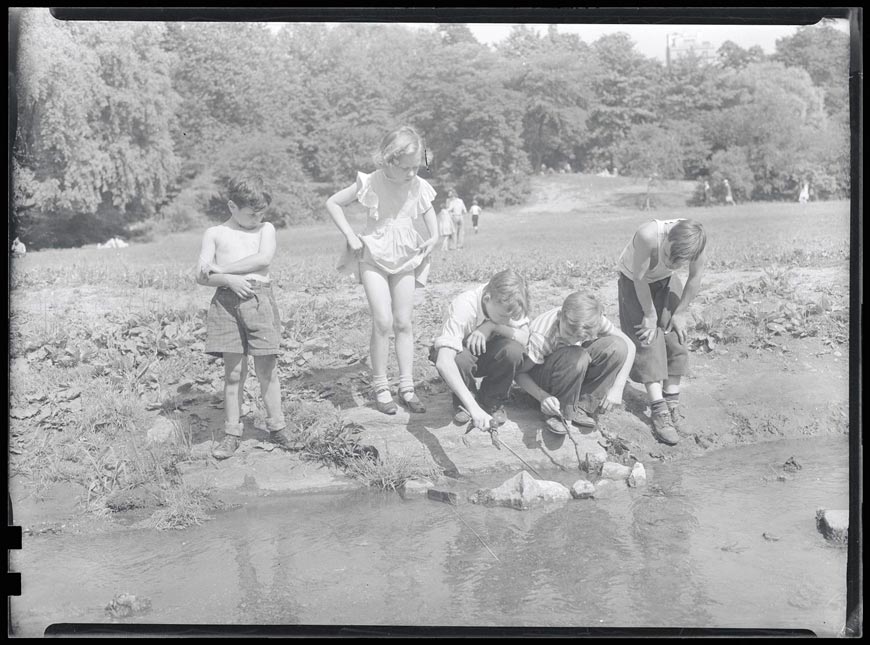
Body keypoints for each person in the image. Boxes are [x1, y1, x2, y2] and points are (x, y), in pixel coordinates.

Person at [328, 125, 439, 415]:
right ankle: (380, 387)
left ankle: (407, 386)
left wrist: (435, 236)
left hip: (405, 255)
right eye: (406, 168)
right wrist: (351, 236)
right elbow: (333, 203)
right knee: (382, 321)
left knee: (403, 321)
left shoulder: (416, 184)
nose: (413, 173)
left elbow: (427, 209)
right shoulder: (371, 182)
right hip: (373, 255)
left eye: (417, 167)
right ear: (389, 160)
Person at [196, 175, 291, 460]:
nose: (257, 217)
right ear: (231, 206)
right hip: (226, 304)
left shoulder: (266, 229)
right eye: (251, 213)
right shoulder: (214, 233)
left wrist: (222, 271)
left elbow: (263, 260)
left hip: (258, 300)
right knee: (234, 373)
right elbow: (201, 275)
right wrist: (227, 280)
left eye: (262, 212)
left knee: (267, 370)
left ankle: (278, 427)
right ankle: (232, 432)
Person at [616, 218, 707, 446]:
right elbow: (639, 278)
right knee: (648, 338)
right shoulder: (648, 235)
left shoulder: (695, 242)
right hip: (634, 281)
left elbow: (695, 277)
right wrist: (649, 314)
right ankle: (659, 410)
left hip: (664, 281)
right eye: (667, 255)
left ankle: (672, 404)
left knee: (675, 336)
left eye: (679, 262)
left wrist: (680, 313)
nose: (671, 262)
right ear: (667, 238)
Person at [515, 292, 635, 435]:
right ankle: (560, 412)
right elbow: (520, 374)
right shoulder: (542, 336)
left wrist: (618, 388)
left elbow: (630, 345)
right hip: (544, 378)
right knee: (576, 354)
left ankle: (582, 406)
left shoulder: (592, 319)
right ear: (560, 316)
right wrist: (543, 397)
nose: (572, 340)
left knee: (617, 346)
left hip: (572, 367)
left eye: (580, 337)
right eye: (568, 333)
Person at [430, 269, 530, 432]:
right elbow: (444, 361)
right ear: (486, 299)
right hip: (459, 356)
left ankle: (492, 399)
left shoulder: (509, 301)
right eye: (503, 317)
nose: (507, 321)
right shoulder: (464, 306)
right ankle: (466, 400)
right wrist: (473, 408)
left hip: (487, 353)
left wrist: (493, 325)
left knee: (514, 350)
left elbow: (524, 339)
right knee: (459, 358)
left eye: (509, 319)